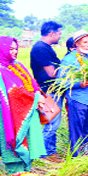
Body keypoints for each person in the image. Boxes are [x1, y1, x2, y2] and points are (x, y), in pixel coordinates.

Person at [0, 37, 46, 173]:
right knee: (12, 149)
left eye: (15, 49)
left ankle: (25, 175)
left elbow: (30, 84)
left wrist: (37, 95)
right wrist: (35, 98)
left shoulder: (15, 64)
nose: (14, 52)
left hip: (23, 110)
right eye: (10, 49)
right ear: (0, 50)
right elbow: (11, 91)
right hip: (5, 113)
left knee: (27, 144)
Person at [30, 21, 64, 159]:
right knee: (52, 123)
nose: (60, 36)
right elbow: (52, 73)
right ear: (52, 33)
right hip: (49, 90)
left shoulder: (46, 47)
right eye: (59, 33)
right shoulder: (41, 48)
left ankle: (50, 151)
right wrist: (70, 71)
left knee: (53, 122)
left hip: (53, 90)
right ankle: (43, 154)